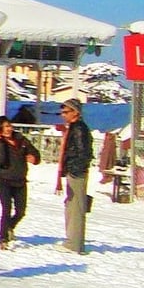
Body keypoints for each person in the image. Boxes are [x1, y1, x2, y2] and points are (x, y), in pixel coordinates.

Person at [0, 116, 40, 250]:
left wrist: (34, 158)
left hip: (20, 180)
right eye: (5, 127)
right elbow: (0, 160)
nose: (8, 129)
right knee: (6, 209)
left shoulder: (20, 139)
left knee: (21, 211)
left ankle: (10, 226)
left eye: (9, 126)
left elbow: (35, 153)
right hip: (3, 180)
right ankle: (3, 238)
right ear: (0, 129)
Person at [57, 98, 93, 255]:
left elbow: (83, 152)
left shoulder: (79, 128)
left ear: (75, 112)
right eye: (62, 112)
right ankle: (72, 241)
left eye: (66, 112)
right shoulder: (74, 128)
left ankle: (74, 244)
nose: (63, 115)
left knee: (76, 208)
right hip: (74, 171)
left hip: (76, 172)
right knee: (71, 206)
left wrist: (74, 169)